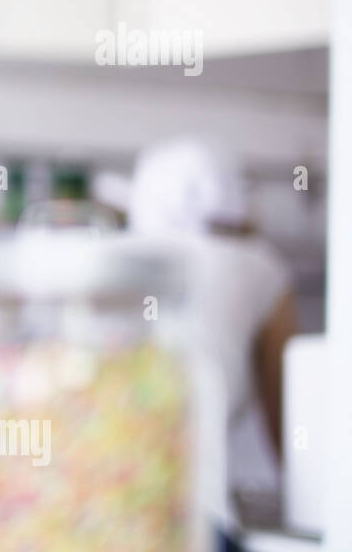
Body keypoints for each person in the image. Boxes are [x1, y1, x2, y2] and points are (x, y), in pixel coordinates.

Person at [122, 137, 298, 530]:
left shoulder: (122, 259)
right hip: (193, 510)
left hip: (99, 493)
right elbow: (289, 415)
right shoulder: (261, 268)